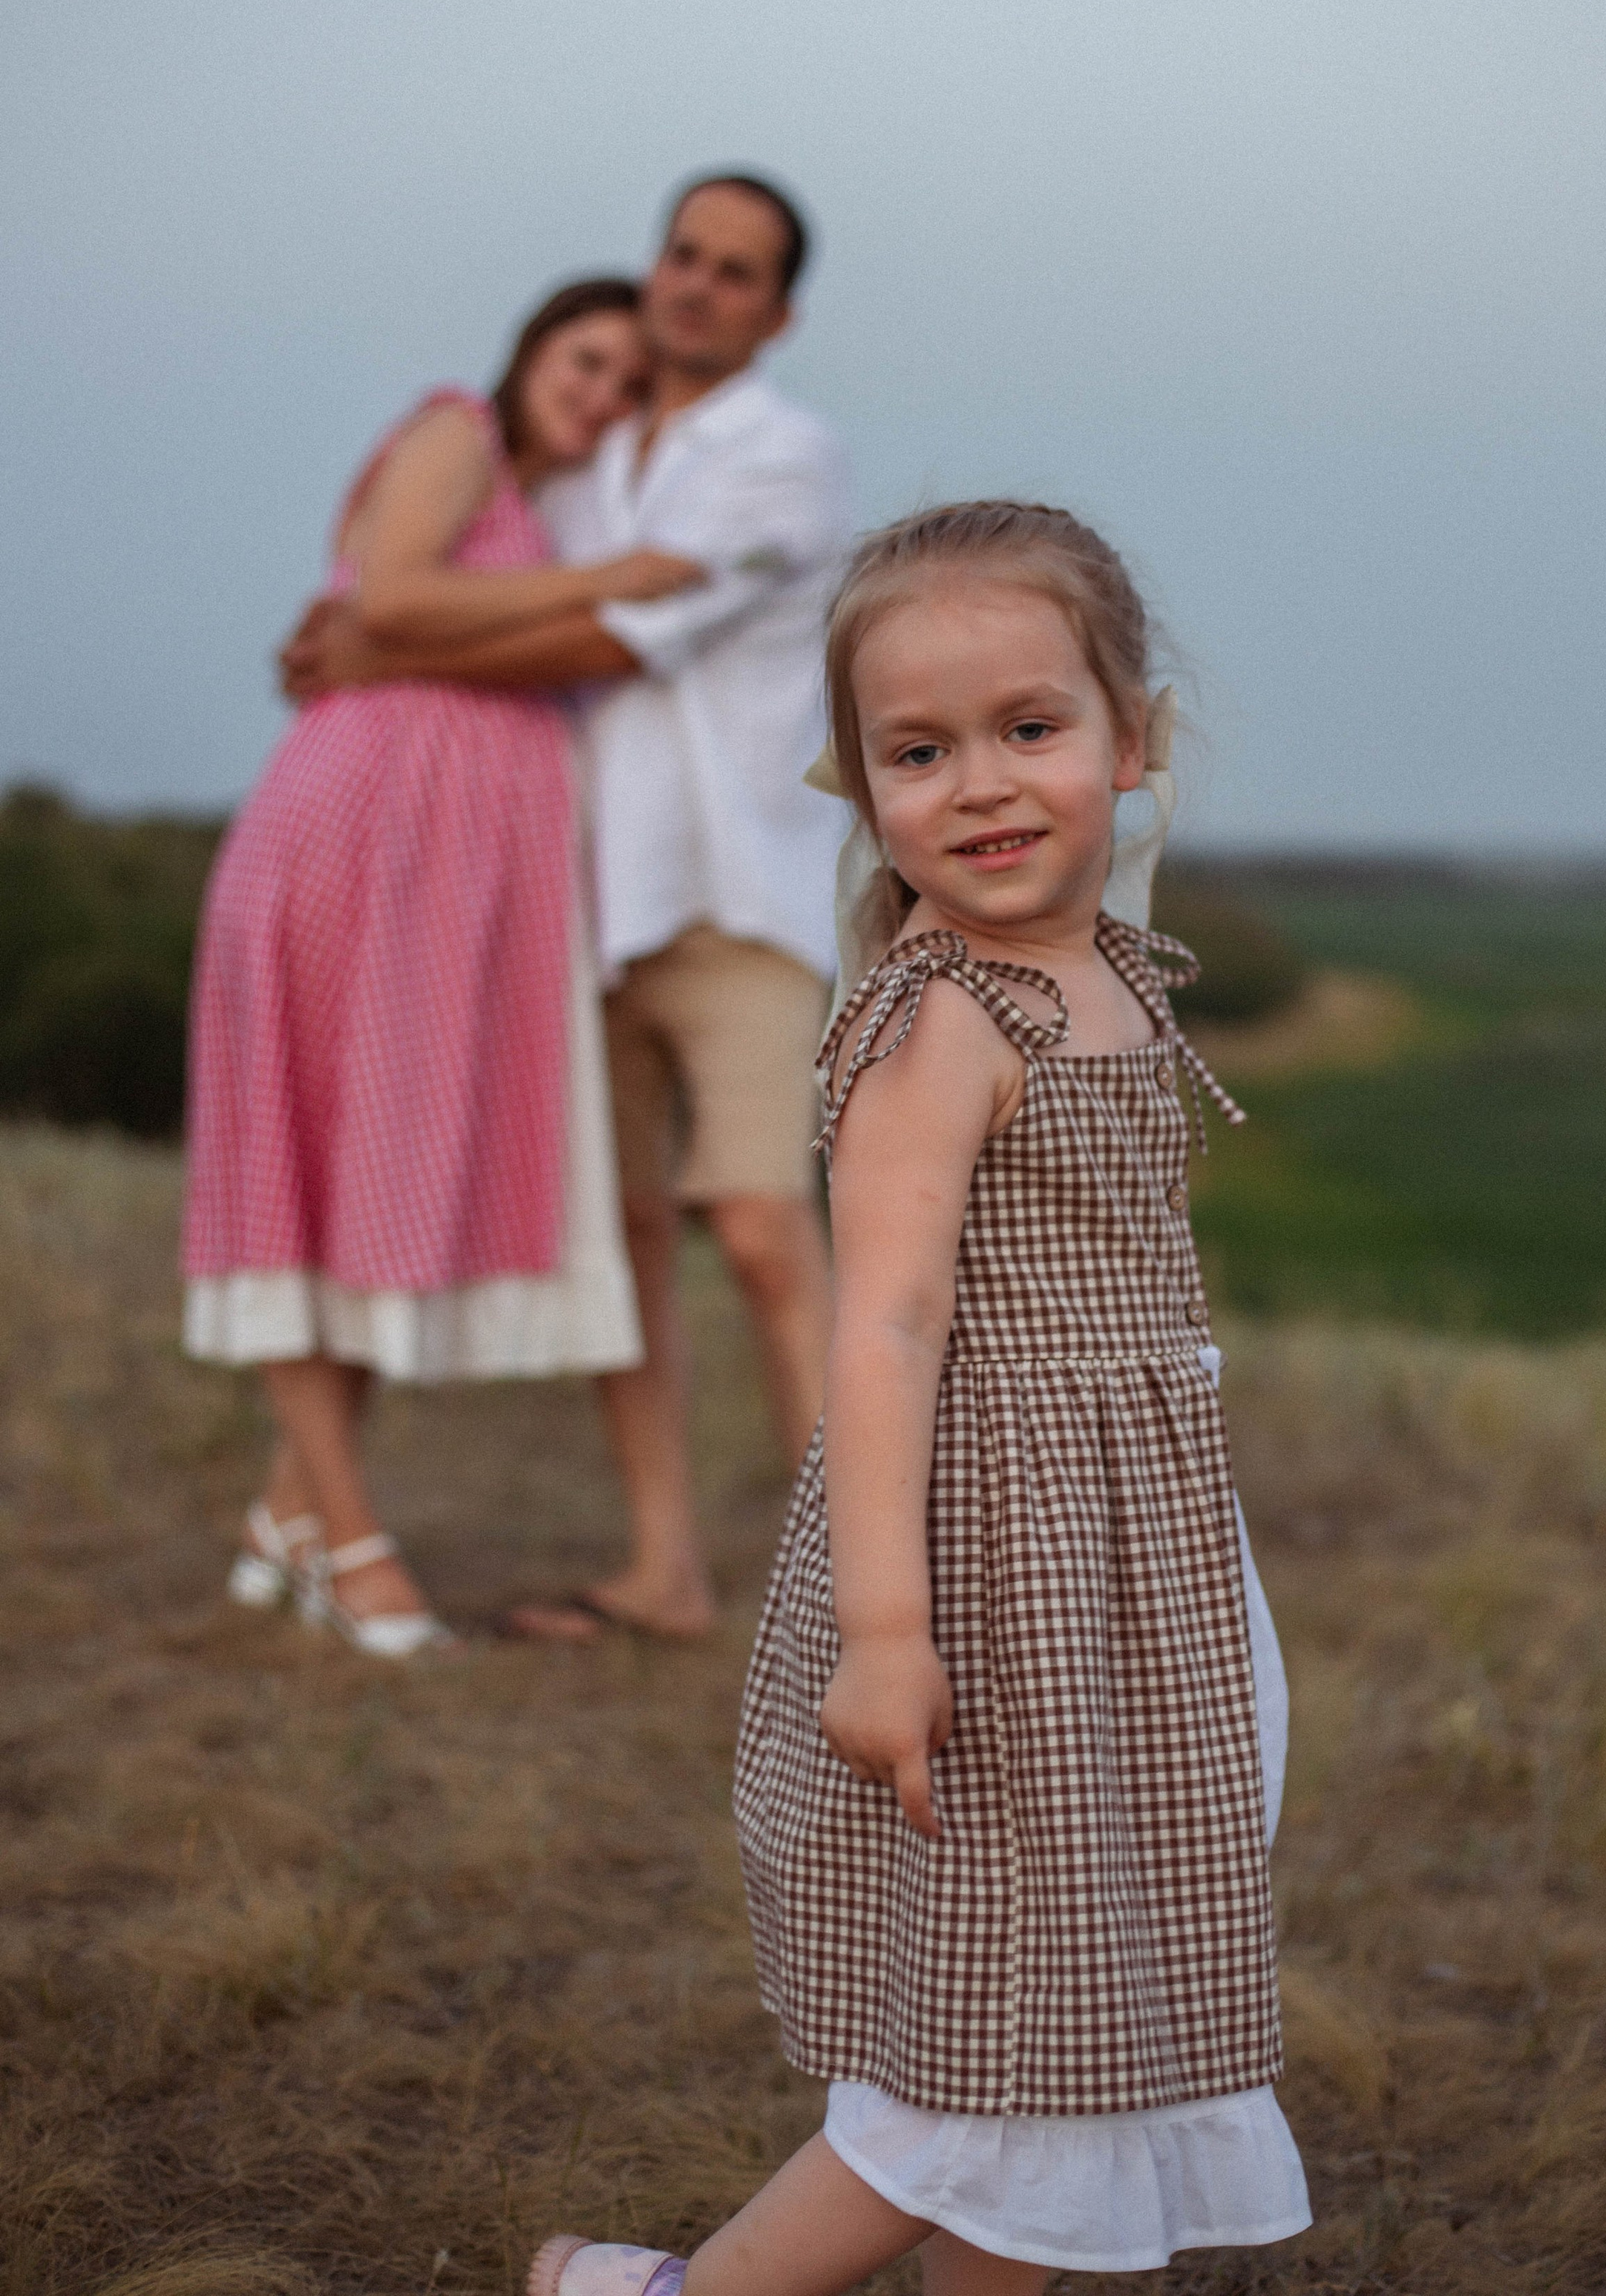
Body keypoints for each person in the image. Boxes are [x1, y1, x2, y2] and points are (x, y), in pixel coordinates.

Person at [530, 502, 1308, 2296]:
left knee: (1085, 1997)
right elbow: (881, 1331)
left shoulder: (1109, 975)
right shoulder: (942, 1019)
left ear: (1131, 741)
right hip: (989, 1569)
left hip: (1131, 1556)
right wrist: (885, 1635)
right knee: (1004, 2024)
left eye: (1027, 727)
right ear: (863, 785)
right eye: (917, 751)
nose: (979, 785)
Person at [285, 174, 851, 1644]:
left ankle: (860, 1592)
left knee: (760, 1225)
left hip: (735, 895)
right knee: (630, 1244)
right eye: (684, 253)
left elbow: (613, 635)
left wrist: (387, 649)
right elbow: (468, 585)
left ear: (779, 314)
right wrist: (368, 632)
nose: (698, 284)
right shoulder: (577, 461)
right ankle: (664, 1571)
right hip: (575, 898)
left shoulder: (785, 462)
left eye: (736, 271)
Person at [185, 278, 706, 1658]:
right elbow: (400, 595)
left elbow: (420, 622)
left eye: (629, 385)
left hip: (444, 892)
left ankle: (288, 1517)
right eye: (586, 360)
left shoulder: (547, 505)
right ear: (532, 350)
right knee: (306, 1178)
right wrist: (605, 582)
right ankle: (354, 1549)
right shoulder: (455, 430)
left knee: (372, 1179)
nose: (601, 395)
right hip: (357, 842)